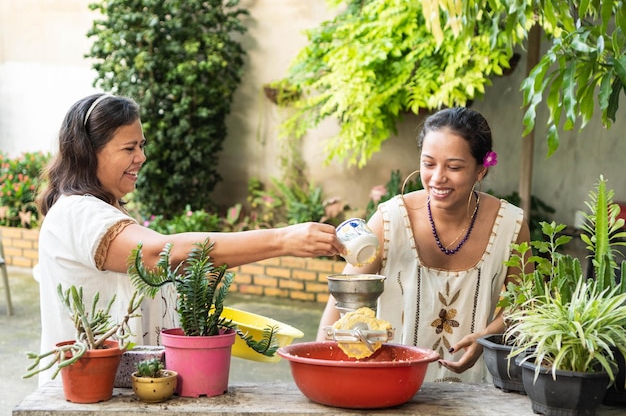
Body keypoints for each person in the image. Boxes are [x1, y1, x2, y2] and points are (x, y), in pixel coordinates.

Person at [36, 93, 345, 386]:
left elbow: (169, 270)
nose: (142, 157)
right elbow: (158, 255)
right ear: (89, 153)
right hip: (83, 398)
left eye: (141, 146)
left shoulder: (102, 211)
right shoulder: (78, 213)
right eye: (129, 148)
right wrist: (282, 240)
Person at [317, 107, 531, 383]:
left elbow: (525, 302)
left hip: (475, 392)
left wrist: (488, 336)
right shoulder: (389, 219)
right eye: (428, 164)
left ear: (480, 169)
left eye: (454, 167)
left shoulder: (510, 225)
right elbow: (344, 299)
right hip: (392, 387)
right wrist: (321, 369)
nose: (438, 177)